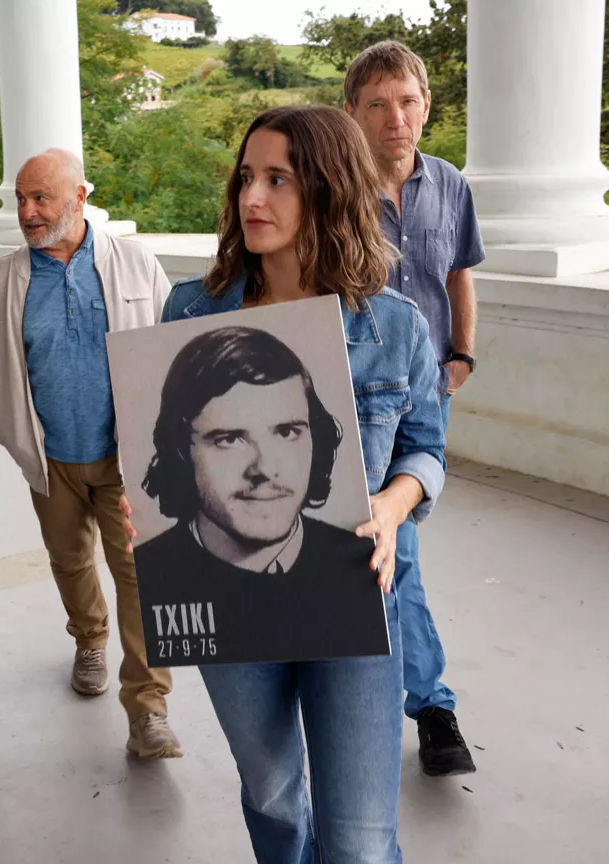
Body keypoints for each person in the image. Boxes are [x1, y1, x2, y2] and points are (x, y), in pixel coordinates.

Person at [123, 104, 446, 862]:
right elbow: (151, 443)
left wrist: (394, 506)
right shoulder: (191, 309)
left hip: (355, 598)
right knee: (270, 795)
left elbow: (426, 450)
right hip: (230, 603)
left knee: (362, 840)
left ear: (330, 190)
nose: (252, 199)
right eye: (246, 178)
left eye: (279, 180)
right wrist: (149, 508)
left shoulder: (394, 326)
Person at [0, 148, 180, 759]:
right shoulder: (4, 279)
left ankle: (149, 710)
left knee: (143, 578)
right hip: (51, 459)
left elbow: (173, 342)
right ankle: (89, 638)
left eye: (41, 198)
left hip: (129, 460)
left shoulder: (134, 262)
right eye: (21, 199)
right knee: (69, 562)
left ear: (80, 198)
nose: (28, 212)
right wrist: (4, 420)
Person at [344, 39, 482, 776]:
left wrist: (461, 357)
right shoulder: (334, 186)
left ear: (426, 105)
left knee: (396, 543)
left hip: (427, 397)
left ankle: (412, 697)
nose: (395, 118)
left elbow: (458, 273)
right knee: (397, 548)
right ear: (352, 113)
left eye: (407, 101)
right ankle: (430, 704)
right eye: (377, 104)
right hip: (361, 399)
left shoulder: (451, 184)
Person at [134, 326, 386, 664]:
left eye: (286, 432)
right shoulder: (155, 569)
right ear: (180, 452)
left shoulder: (352, 565)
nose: (264, 468)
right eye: (228, 439)